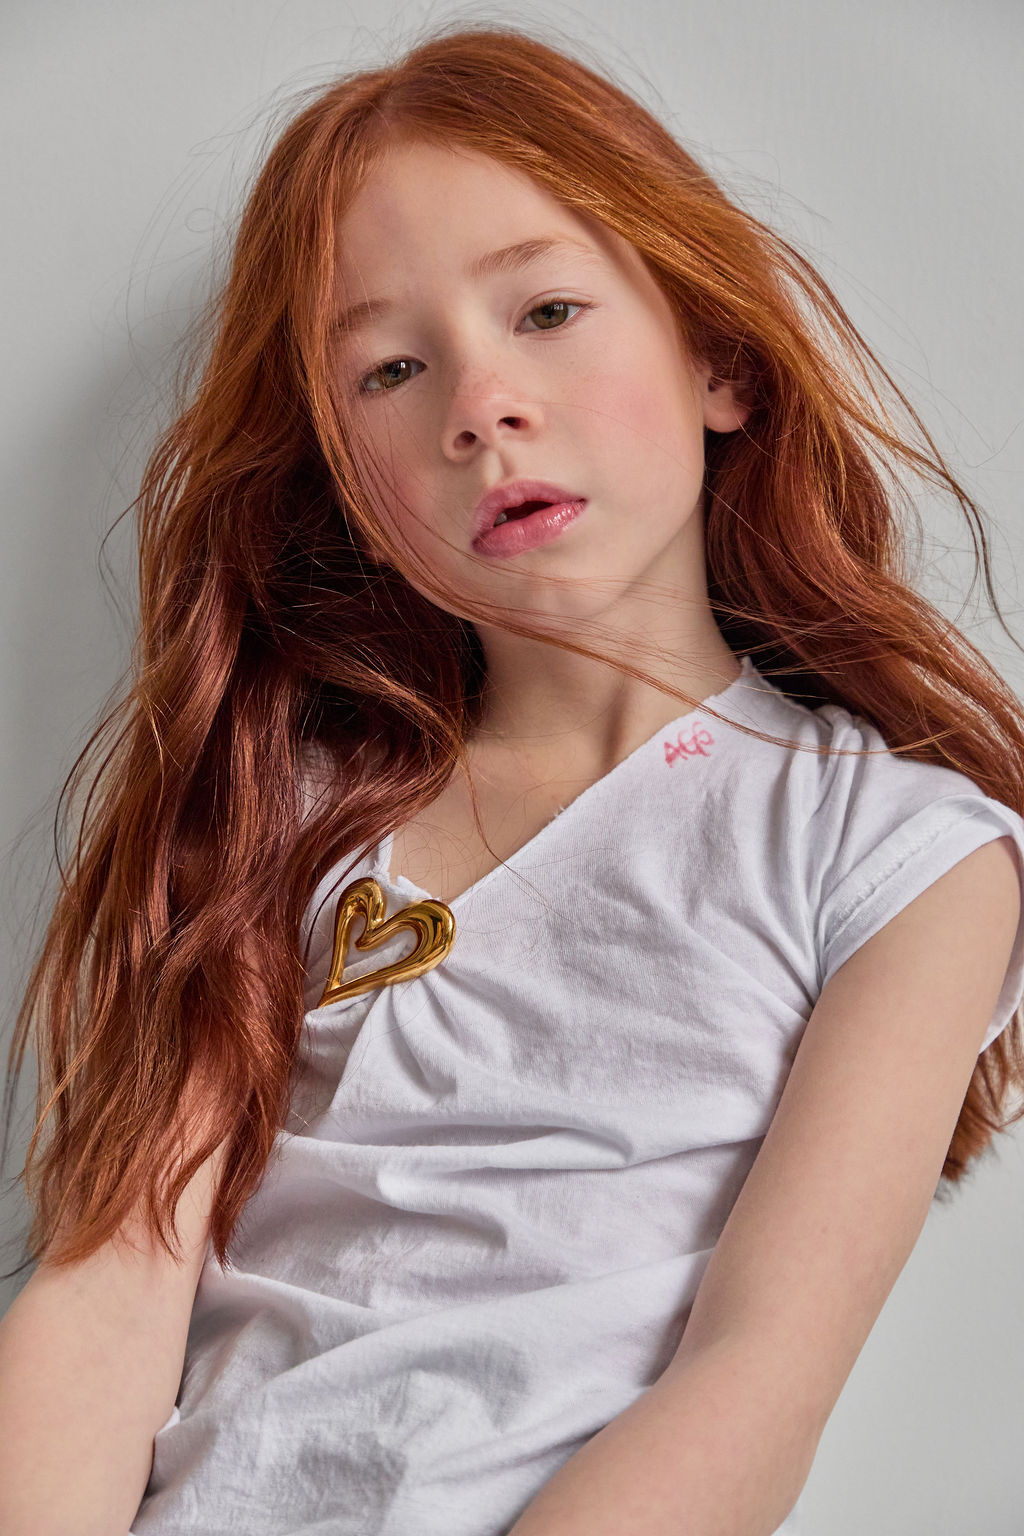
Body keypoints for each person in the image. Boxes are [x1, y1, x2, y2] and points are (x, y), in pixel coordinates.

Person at [1, 22, 1023, 1536]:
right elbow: (107, 1291)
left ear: (720, 359)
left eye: (547, 311)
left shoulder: (897, 855)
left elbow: (755, 1381)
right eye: (390, 369)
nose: (479, 405)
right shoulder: (290, 814)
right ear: (347, 486)